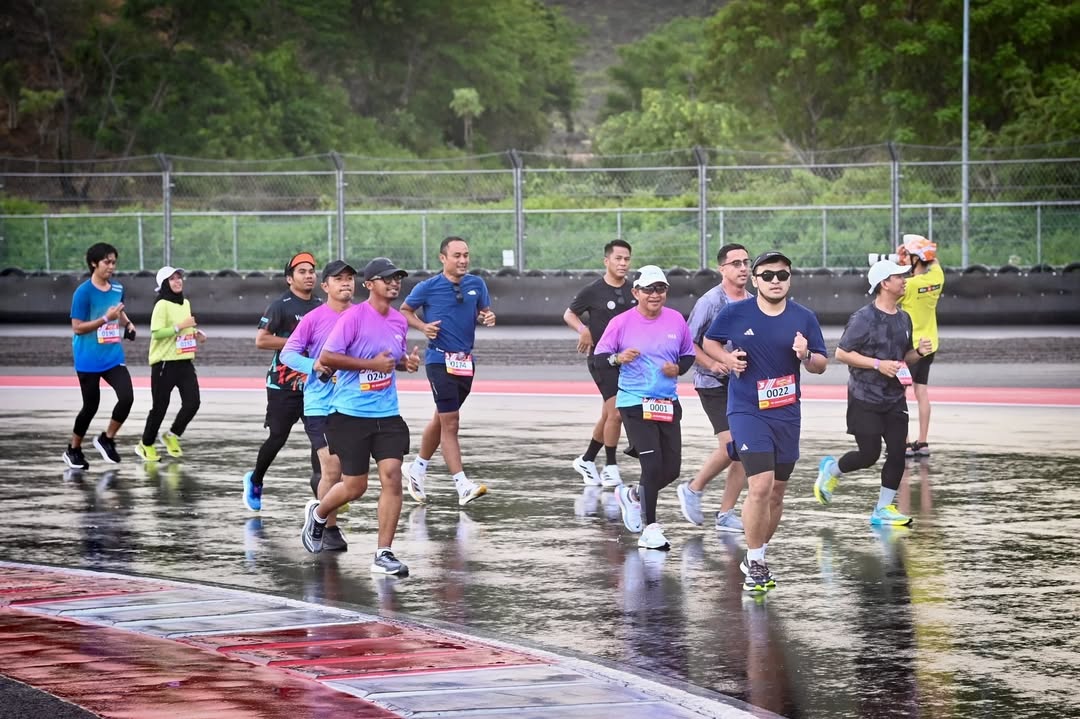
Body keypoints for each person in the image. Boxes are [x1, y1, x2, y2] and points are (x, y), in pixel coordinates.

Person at [703, 251, 827, 594]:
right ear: (755, 280)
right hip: (746, 410)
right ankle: (756, 562)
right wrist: (727, 359)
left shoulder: (804, 318)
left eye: (782, 275)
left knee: (776, 492)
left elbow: (820, 364)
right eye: (768, 275)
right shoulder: (735, 312)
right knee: (759, 485)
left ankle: (755, 552)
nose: (776, 281)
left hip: (786, 414)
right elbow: (708, 341)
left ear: (790, 279)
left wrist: (805, 355)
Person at [301, 257, 420, 576]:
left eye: (398, 278)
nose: (394, 283)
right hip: (350, 414)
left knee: (393, 476)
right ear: (369, 285)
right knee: (355, 486)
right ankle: (319, 514)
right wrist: (370, 366)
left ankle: (384, 553)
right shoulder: (353, 317)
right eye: (387, 279)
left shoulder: (399, 321)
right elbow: (327, 357)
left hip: (388, 413)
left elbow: (389, 360)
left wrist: (404, 364)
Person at [812, 260, 933, 527]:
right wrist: (878, 364)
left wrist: (919, 353)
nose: (904, 280)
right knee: (869, 454)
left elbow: (903, 358)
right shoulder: (863, 318)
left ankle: (882, 509)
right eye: (898, 277)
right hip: (864, 397)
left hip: (894, 398)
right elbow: (842, 353)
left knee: (899, 453)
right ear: (883, 284)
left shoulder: (904, 318)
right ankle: (831, 471)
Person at [594, 265, 695, 551]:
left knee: (671, 469)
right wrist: (618, 358)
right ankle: (650, 529)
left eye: (660, 288)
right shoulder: (621, 323)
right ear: (636, 292)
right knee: (651, 466)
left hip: (666, 403)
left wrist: (678, 368)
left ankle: (633, 497)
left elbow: (688, 356)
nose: (655, 294)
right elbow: (600, 360)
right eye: (649, 289)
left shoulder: (676, 320)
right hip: (634, 402)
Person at [400, 236, 495, 506]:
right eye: (457, 255)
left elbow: (484, 312)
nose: (463, 260)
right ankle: (462, 485)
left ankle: (417, 467)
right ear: (443, 258)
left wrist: (488, 317)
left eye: (466, 255)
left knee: (442, 419)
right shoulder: (428, 287)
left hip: (465, 362)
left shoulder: (477, 284)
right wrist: (422, 327)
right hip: (439, 361)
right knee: (451, 422)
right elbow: (405, 310)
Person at [280, 259, 358, 552]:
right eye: (339, 279)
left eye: (350, 278)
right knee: (332, 469)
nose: (346, 283)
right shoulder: (313, 318)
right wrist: (316, 365)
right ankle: (328, 528)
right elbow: (288, 353)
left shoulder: (363, 315)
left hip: (353, 405)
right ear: (325, 286)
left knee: (355, 477)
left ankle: (321, 516)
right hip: (320, 405)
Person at [676, 243, 752, 532]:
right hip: (713, 383)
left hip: (743, 383)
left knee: (746, 447)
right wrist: (712, 363)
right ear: (722, 269)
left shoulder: (752, 301)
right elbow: (688, 341)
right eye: (736, 263)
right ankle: (693, 489)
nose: (743, 268)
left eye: (746, 262)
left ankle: (725, 514)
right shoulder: (710, 301)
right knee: (733, 445)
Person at [242, 252, 323, 511]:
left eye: (311, 271)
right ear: (290, 279)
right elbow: (261, 340)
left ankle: (323, 491)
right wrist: (296, 344)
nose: (309, 275)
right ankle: (255, 480)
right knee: (278, 436)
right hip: (283, 386)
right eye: (302, 271)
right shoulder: (281, 306)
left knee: (320, 439)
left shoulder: (322, 306)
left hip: (313, 384)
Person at [563, 239, 635, 488]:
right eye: (618, 258)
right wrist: (583, 330)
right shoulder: (593, 290)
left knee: (608, 414)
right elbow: (569, 313)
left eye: (626, 259)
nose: (623, 263)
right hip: (602, 360)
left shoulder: (634, 290)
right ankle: (611, 467)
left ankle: (587, 459)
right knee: (617, 412)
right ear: (607, 261)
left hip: (627, 360)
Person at [63, 242, 137, 470]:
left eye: (114, 262)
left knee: (127, 397)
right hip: (88, 359)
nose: (111, 267)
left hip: (113, 357)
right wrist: (105, 319)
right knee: (90, 406)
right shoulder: (83, 293)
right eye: (107, 262)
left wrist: (128, 323)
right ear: (94, 263)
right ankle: (73, 449)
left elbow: (119, 311)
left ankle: (107, 439)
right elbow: (77, 327)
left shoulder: (117, 288)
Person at [134, 266, 206, 462]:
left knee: (193, 403)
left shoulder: (185, 303)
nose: (177, 281)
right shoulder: (161, 305)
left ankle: (172, 435)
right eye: (172, 279)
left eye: (179, 277)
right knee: (160, 407)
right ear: (165, 283)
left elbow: (185, 329)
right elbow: (156, 333)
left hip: (184, 361)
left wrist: (195, 334)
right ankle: (145, 444)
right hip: (164, 363)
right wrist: (180, 326)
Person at [897, 234, 944, 457]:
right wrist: (918, 253)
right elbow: (934, 263)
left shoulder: (909, 286)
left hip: (911, 349)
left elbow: (891, 290)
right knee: (921, 392)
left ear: (915, 259)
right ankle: (923, 443)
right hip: (930, 344)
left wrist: (902, 263)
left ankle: (905, 444)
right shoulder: (937, 278)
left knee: (900, 394)